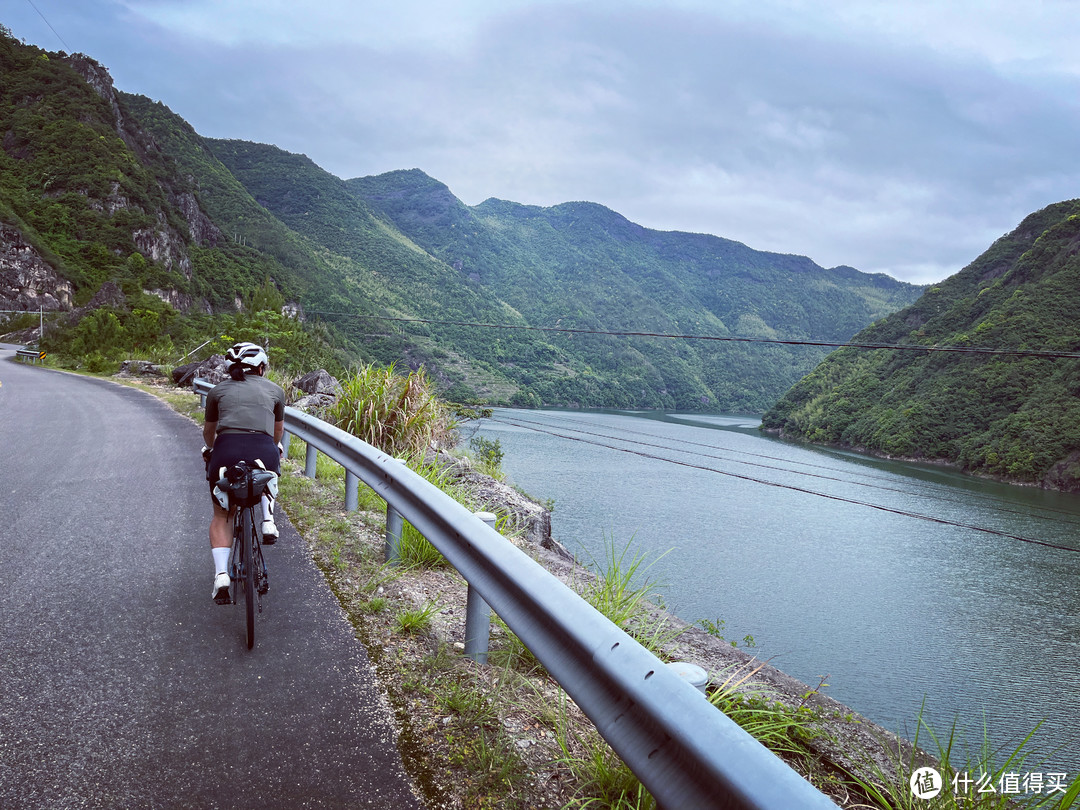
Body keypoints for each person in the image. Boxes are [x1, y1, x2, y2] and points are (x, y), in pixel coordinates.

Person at [202, 342, 286, 603]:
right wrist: (273, 447)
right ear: (261, 368)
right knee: (268, 469)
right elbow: (277, 432)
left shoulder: (217, 391)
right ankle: (268, 520)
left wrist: (210, 449)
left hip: (226, 450)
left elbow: (209, 431)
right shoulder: (275, 390)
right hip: (262, 449)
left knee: (222, 514)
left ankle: (222, 574)